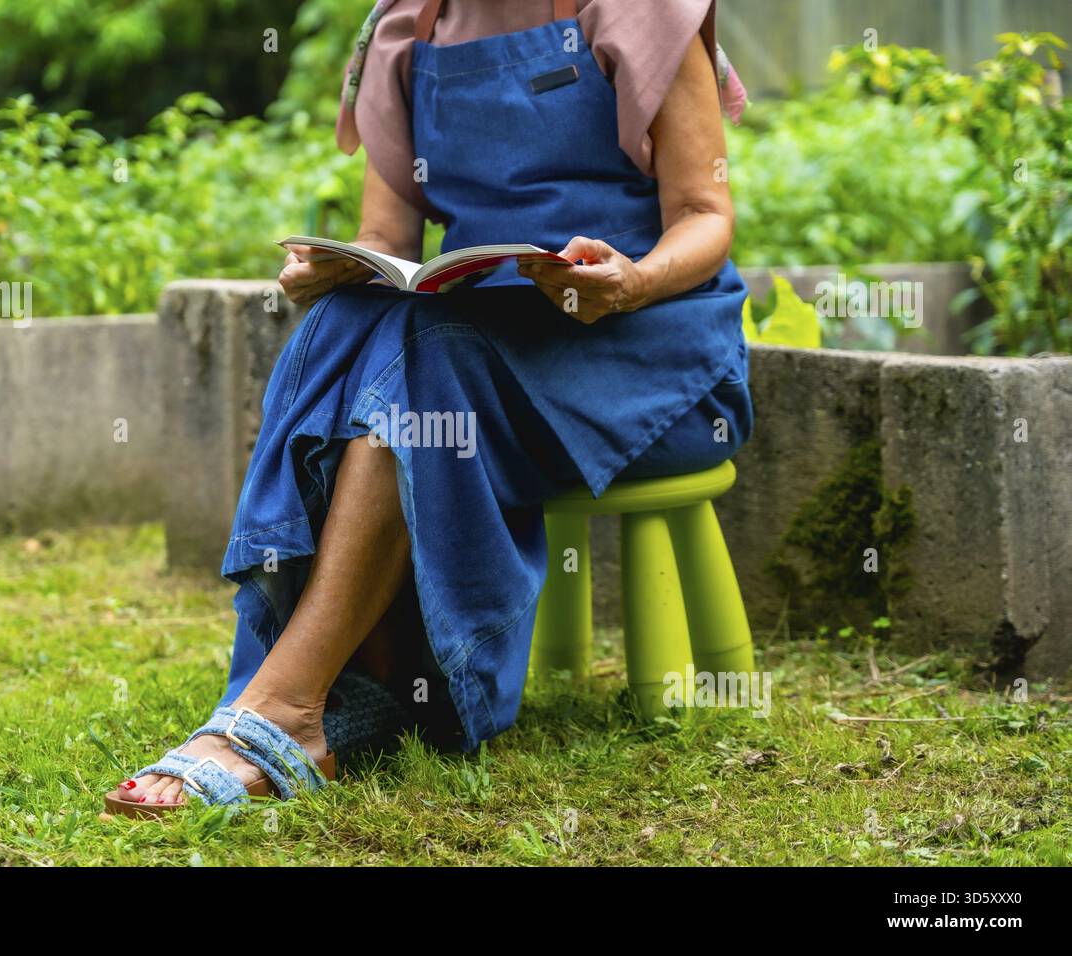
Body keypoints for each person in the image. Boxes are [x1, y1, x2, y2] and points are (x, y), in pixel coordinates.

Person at [106, 0, 754, 815]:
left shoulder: (640, 8)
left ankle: (288, 703)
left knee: (428, 356)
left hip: (652, 352)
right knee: (355, 326)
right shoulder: (406, 27)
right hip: (485, 345)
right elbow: (389, 239)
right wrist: (337, 272)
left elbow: (706, 214)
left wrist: (628, 282)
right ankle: (367, 677)